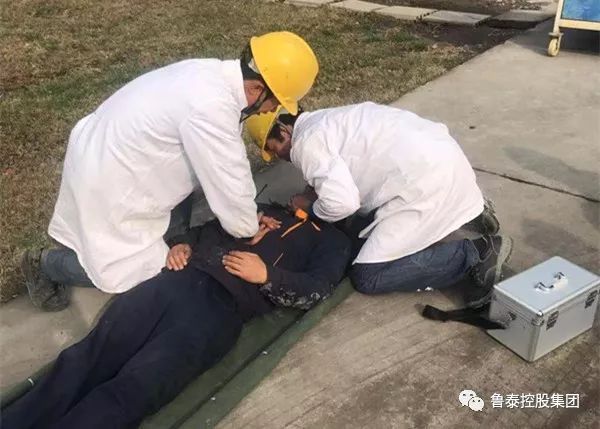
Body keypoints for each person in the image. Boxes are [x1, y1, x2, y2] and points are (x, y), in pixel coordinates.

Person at [21, 31, 320, 312]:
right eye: (275, 102)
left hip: (110, 147)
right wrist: (249, 227)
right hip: (112, 176)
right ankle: (46, 265)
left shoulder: (211, 74)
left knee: (166, 242)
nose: (271, 111)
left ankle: (165, 239)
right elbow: (230, 181)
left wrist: (237, 217)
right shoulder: (211, 108)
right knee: (133, 268)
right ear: (257, 88)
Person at [3, 204, 351, 429]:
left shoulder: (333, 242)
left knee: (135, 388)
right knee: (89, 356)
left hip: (219, 311)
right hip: (175, 280)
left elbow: (317, 289)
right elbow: (206, 229)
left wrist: (267, 275)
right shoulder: (267, 208)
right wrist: (183, 244)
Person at [246, 102, 513, 308]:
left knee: (368, 275)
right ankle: (470, 209)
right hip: (446, 158)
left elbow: (342, 204)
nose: (281, 157)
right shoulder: (326, 119)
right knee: (360, 230)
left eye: (275, 149)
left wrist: (311, 208)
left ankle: (475, 255)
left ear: (284, 130)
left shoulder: (305, 144)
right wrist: (315, 193)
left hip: (423, 183)